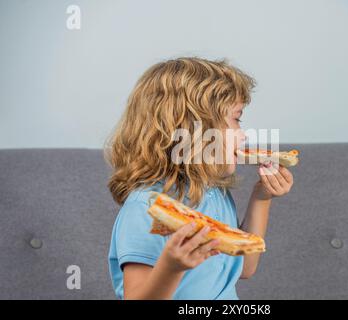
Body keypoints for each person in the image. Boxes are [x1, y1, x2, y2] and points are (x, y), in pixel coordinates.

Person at [104, 57, 294, 299]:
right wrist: (171, 267)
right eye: (236, 119)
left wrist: (262, 195)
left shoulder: (213, 192)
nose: (243, 135)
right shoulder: (147, 207)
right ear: (196, 131)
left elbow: (245, 267)